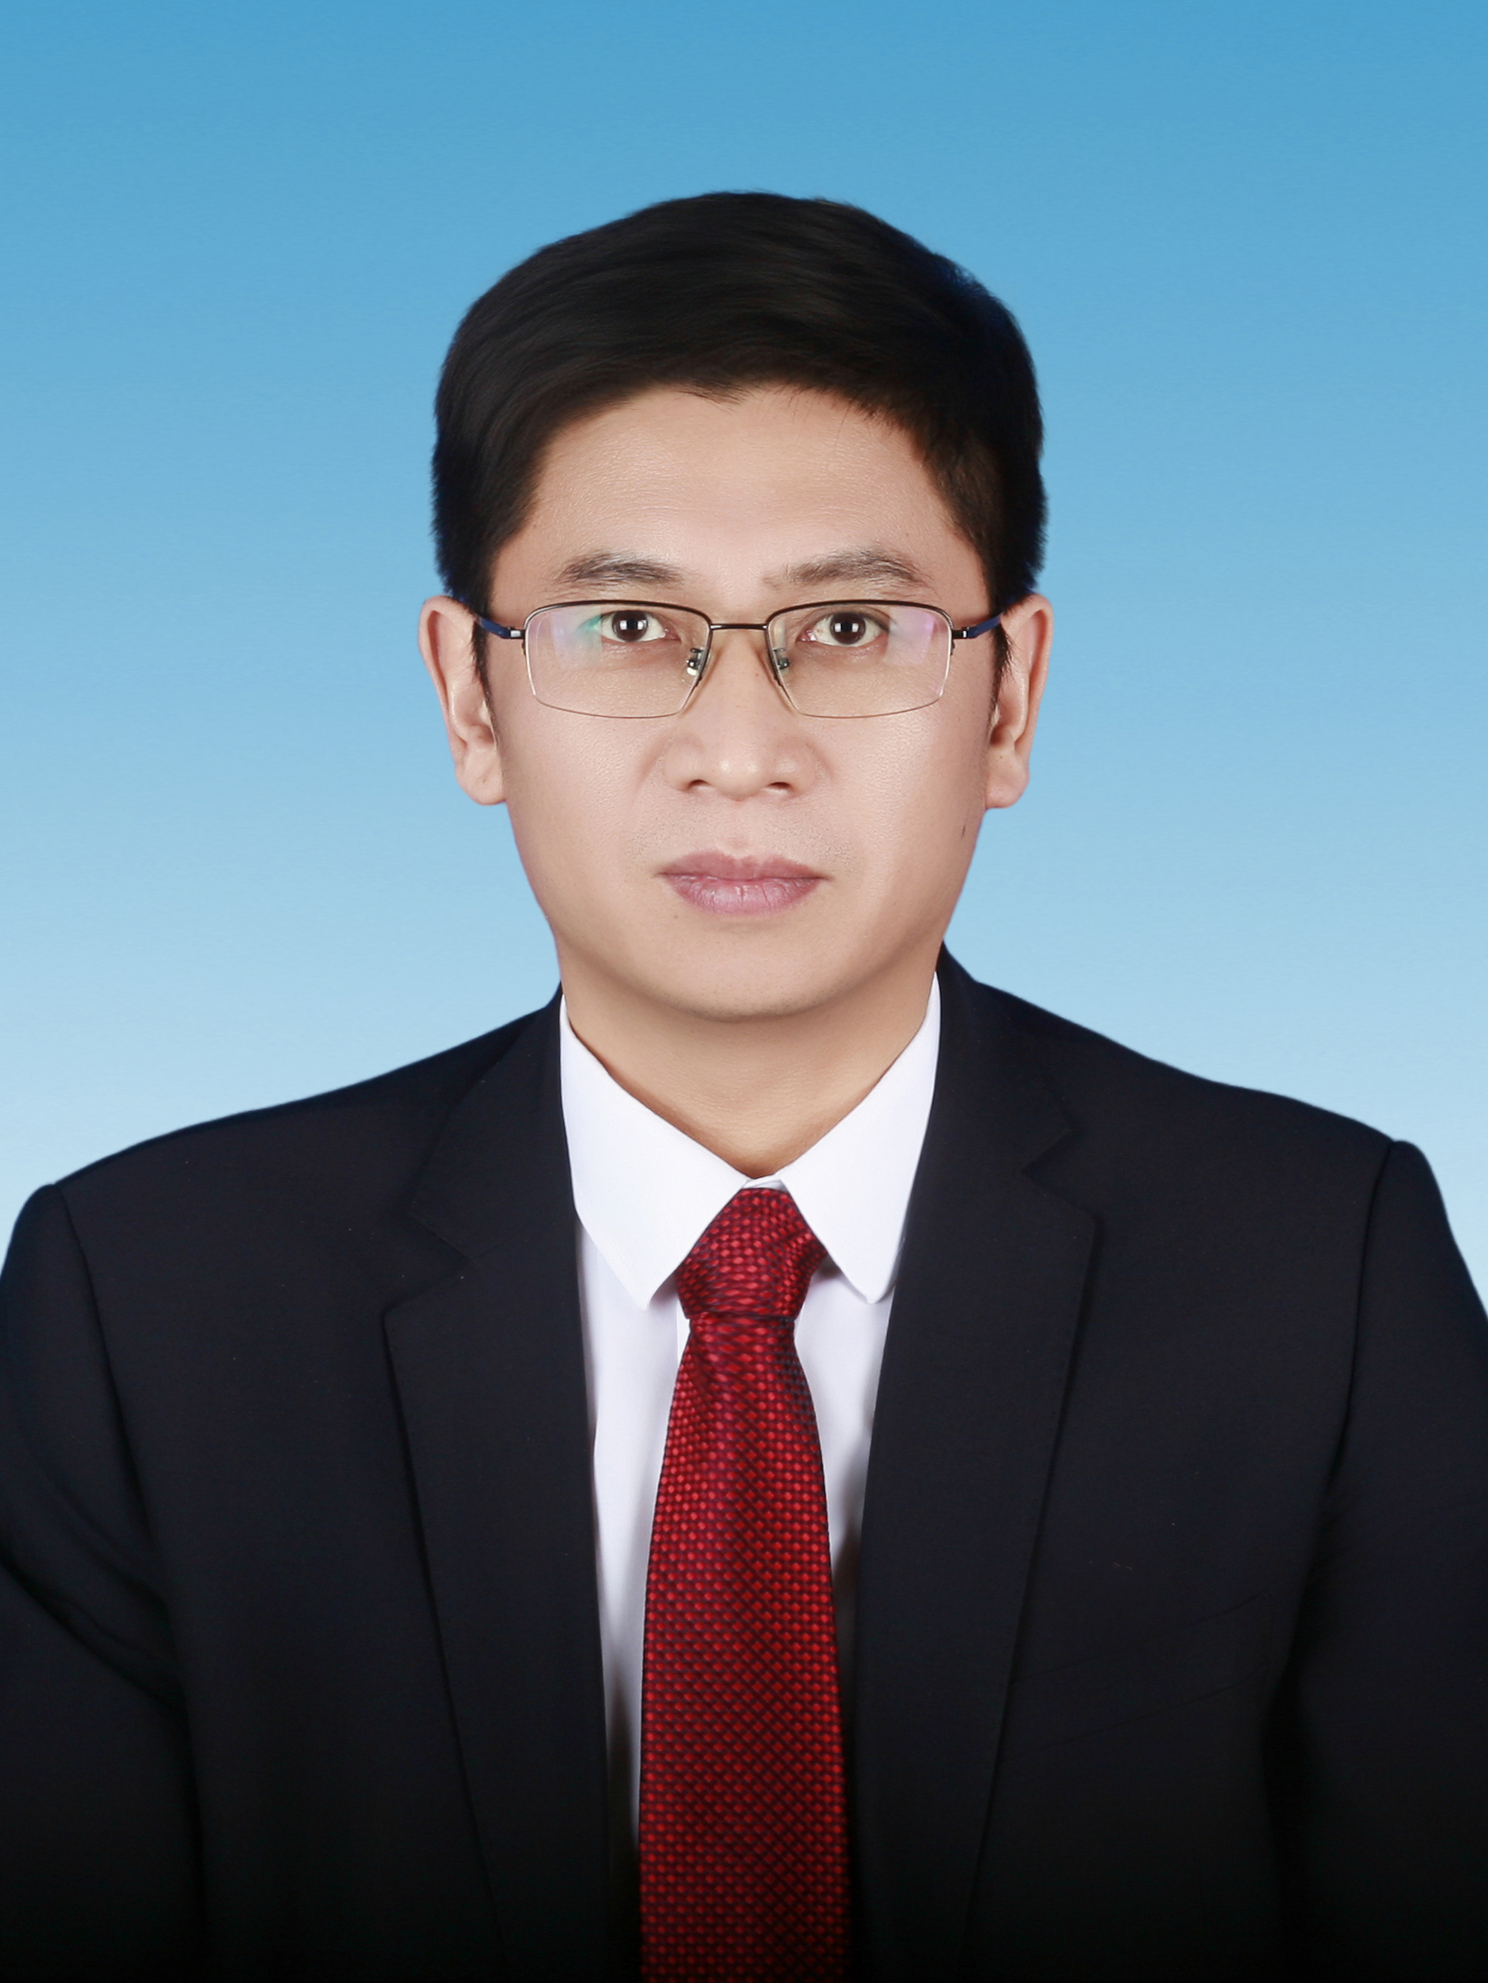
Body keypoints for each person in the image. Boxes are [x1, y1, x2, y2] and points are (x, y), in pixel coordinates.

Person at [1, 192, 1484, 1983]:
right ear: (470, 698)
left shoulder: (1319, 1272)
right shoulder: (145, 1303)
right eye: (628, 626)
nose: (739, 752)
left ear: (1008, 699)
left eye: (849, 629)